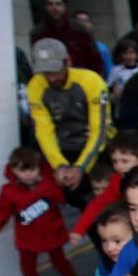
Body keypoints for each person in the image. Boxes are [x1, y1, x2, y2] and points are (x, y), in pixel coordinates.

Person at [26, 37, 113, 208]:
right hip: (64, 147)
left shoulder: (91, 80)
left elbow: (100, 129)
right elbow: (43, 130)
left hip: (97, 146)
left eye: (55, 70)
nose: (51, 78)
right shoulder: (35, 85)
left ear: (68, 62)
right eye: (45, 72)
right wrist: (59, 165)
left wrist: (81, 168)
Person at [0, 146, 82, 276]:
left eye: (33, 169)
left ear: (39, 167)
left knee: (60, 262)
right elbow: (2, 213)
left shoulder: (49, 182)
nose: (29, 173)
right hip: (27, 239)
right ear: (14, 169)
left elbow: (62, 198)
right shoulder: (9, 191)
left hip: (52, 233)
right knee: (28, 269)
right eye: (23, 170)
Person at [67, 130, 138, 246]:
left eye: (124, 161)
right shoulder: (117, 181)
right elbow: (97, 205)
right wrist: (78, 230)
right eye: (115, 161)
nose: (119, 166)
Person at [30, 0, 102, 75]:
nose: (55, 8)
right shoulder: (38, 33)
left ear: (64, 6)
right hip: (52, 81)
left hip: (80, 80)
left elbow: (95, 60)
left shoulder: (80, 30)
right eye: (50, 4)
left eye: (58, 4)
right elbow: (37, 62)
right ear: (45, 7)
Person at [73, 10, 113, 77]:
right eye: (80, 21)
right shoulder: (70, 47)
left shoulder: (101, 48)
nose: (83, 24)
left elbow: (109, 73)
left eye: (86, 21)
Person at [106, 39, 138, 113]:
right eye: (125, 53)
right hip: (122, 109)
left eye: (131, 53)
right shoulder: (116, 70)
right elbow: (108, 91)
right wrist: (115, 96)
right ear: (121, 55)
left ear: (137, 54)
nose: (129, 56)